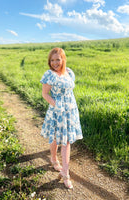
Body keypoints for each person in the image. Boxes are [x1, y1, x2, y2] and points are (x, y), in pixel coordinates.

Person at [40, 47, 83, 189]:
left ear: (63, 59)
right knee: (55, 137)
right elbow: (45, 94)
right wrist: (57, 105)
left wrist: (68, 107)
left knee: (67, 141)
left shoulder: (69, 72)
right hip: (57, 111)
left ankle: (65, 172)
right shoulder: (49, 74)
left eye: (57, 59)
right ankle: (54, 158)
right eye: (52, 60)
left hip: (70, 111)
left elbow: (70, 91)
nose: (55, 63)